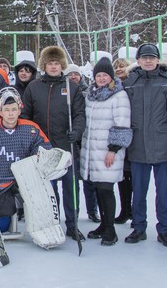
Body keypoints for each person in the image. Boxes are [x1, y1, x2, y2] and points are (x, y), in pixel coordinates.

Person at [21, 45, 87, 241]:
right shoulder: (34, 87)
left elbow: (79, 114)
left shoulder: (71, 87)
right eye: (50, 63)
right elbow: (26, 115)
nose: (53, 67)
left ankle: (73, 225)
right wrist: (33, 137)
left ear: (62, 65)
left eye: (57, 63)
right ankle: (51, 221)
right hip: (43, 147)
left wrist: (76, 132)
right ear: (44, 65)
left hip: (66, 146)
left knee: (70, 188)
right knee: (49, 189)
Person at [0, 87, 51, 232]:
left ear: (20, 110)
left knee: (42, 212)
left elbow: (44, 151)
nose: (11, 114)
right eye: (7, 110)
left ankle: (29, 215)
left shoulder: (31, 129)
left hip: (26, 181)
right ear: (0, 111)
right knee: (0, 227)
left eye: (14, 109)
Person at [123, 43, 167, 247]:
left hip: (164, 144)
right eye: (144, 57)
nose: (148, 61)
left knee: (163, 191)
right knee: (138, 191)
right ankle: (139, 227)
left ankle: (164, 229)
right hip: (138, 144)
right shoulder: (130, 82)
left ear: (158, 59)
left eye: (152, 57)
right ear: (137, 60)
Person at [79, 58, 132, 246]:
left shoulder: (118, 96)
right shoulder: (91, 95)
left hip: (108, 152)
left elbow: (122, 123)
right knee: (98, 188)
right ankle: (103, 224)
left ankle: (110, 229)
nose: (101, 78)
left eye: (104, 75)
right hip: (92, 151)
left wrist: (114, 149)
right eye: (98, 75)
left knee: (106, 189)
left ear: (111, 77)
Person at [65, 63, 97, 223]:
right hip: (72, 139)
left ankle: (93, 210)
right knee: (72, 180)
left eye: (75, 74)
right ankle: (73, 213)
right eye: (70, 75)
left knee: (88, 179)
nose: (73, 77)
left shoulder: (88, 91)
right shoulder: (64, 90)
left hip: (86, 140)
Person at [112, 57, 133, 224]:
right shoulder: (114, 87)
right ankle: (125, 209)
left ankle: (134, 211)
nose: (119, 69)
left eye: (122, 66)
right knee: (123, 177)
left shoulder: (133, 83)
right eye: (116, 67)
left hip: (134, 134)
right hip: (119, 134)